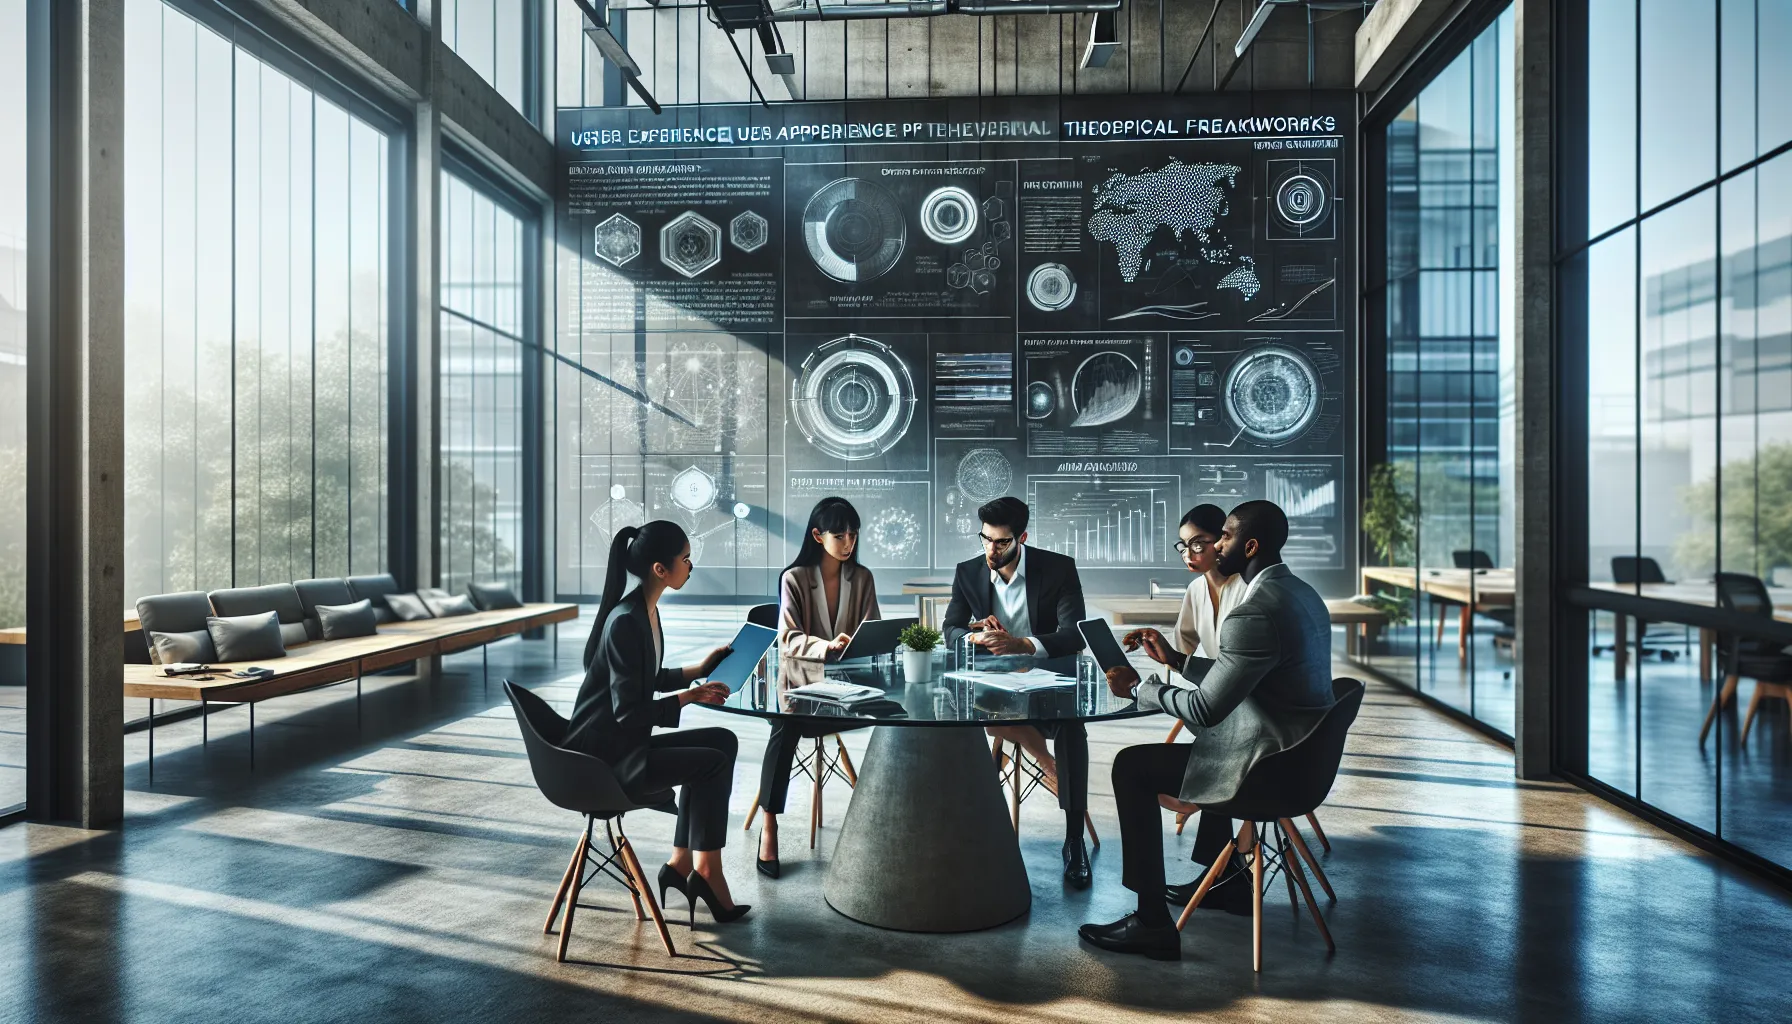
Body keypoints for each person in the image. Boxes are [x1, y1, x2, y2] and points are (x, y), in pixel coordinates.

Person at [1078, 500, 1335, 960]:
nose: (1218, 544)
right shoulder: (1302, 594)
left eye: (1227, 536)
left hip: (1266, 769)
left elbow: (1203, 709)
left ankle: (1152, 923)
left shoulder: (1254, 611)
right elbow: (1238, 676)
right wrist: (1176, 661)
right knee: (1202, 745)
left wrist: (1139, 687)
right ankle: (1227, 883)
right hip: (1302, 761)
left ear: (1249, 546)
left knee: (1131, 766)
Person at [566, 520, 750, 925]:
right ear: (660, 570)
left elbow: (643, 678)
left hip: (622, 744)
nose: (690, 566)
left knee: (723, 742)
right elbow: (628, 712)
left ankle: (681, 863)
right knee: (712, 762)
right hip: (605, 762)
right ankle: (707, 871)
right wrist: (688, 697)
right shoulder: (627, 621)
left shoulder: (644, 611)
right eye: (685, 559)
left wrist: (697, 670)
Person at [940, 496, 1093, 888]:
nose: (991, 549)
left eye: (1002, 542)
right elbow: (950, 630)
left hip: (1046, 683)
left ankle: (1073, 839)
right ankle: (967, 826)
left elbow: (1073, 635)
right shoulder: (968, 572)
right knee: (964, 711)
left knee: (1073, 729)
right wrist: (974, 635)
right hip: (993, 688)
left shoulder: (1058, 569)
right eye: (986, 539)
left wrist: (1023, 644)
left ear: (1021, 537)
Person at [758, 496, 880, 879]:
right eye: (840, 534)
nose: (849, 542)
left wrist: (859, 647)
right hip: (802, 691)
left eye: (853, 534)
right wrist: (825, 647)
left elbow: (873, 633)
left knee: (900, 718)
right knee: (785, 725)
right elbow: (788, 638)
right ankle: (769, 826)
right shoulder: (794, 578)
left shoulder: (862, 579)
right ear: (817, 535)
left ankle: (888, 827)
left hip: (850, 695)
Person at [1124, 503, 1247, 813]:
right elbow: (1183, 650)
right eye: (1183, 546)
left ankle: (1205, 793)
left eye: (1197, 544)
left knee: (1210, 714)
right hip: (1222, 693)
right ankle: (1208, 795)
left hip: (1248, 697)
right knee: (1201, 710)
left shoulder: (1247, 588)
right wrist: (1163, 650)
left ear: (1221, 541)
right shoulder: (1196, 589)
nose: (1188, 554)